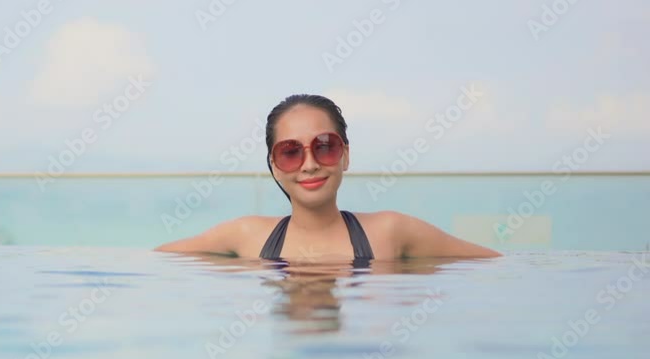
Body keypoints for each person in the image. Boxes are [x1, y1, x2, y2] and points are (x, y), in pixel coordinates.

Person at [155, 94, 501, 261]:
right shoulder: (245, 236)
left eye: (324, 146)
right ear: (274, 165)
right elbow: (159, 259)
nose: (309, 165)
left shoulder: (391, 232)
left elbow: (491, 263)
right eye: (290, 152)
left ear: (345, 155)